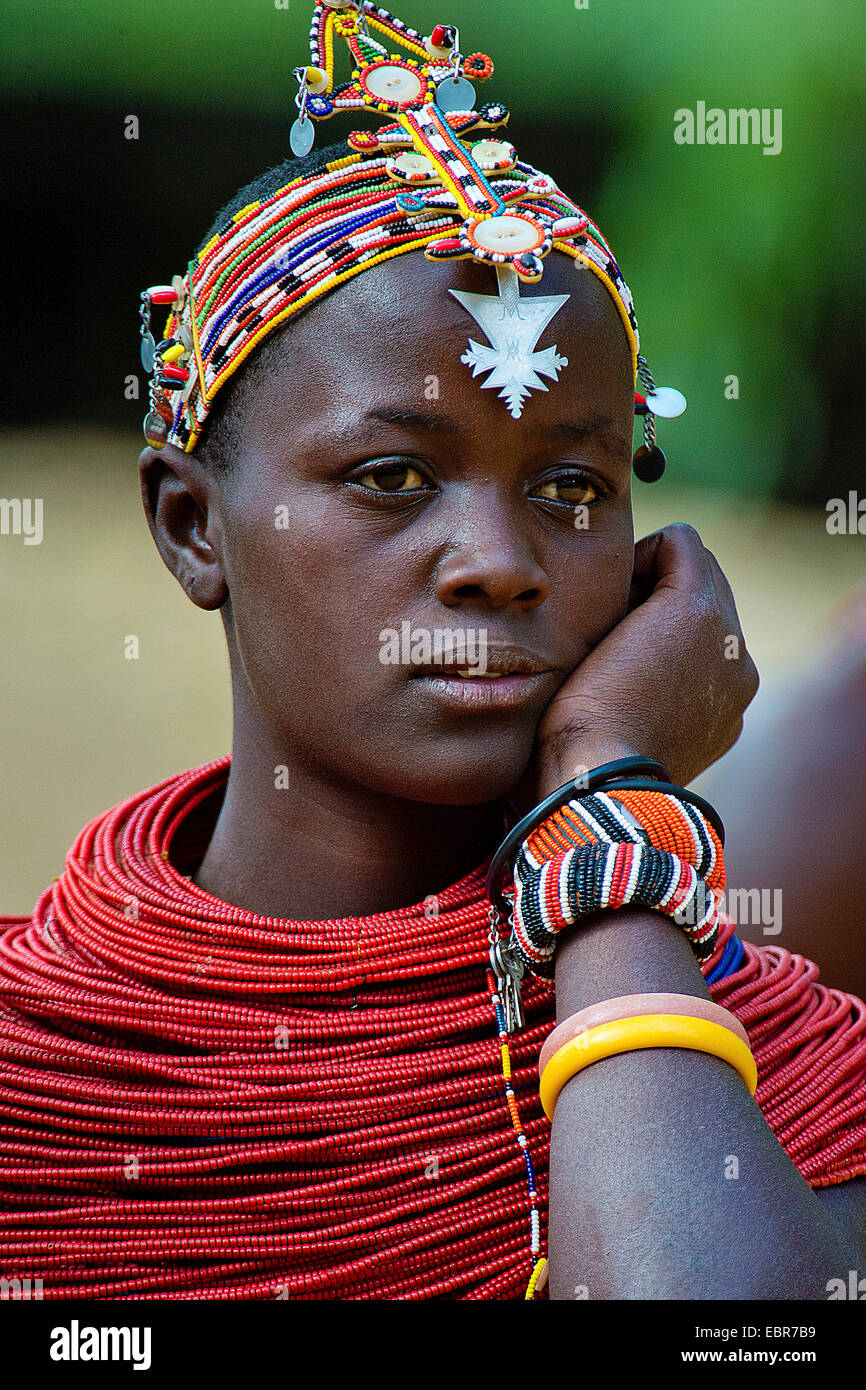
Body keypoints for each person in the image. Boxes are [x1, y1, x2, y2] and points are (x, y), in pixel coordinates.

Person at [0, 0, 863, 1301]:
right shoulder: (42, 1063)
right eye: (394, 473)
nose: (498, 559)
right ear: (191, 526)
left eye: (571, 487)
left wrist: (603, 791)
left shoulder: (776, 1059)